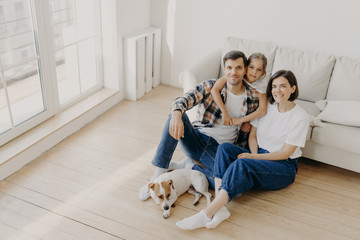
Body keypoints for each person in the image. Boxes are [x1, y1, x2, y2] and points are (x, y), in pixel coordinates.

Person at [176, 70, 309, 230]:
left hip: (283, 166)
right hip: (259, 154)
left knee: (241, 165)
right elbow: (253, 136)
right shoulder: (268, 106)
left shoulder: (300, 117)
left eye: (283, 86)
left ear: (293, 89)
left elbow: (285, 153)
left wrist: (252, 158)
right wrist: (254, 154)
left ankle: (207, 213)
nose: (277, 91)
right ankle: (221, 207)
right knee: (224, 149)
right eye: (274, 86)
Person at [138, 50, 261, 200]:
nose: (233, 72)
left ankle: (189, 167)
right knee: (176, 113)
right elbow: (183, 100)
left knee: (235, 188)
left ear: (245, 69)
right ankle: (158, 175)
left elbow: (263, 113)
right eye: (229, 68)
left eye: (238, 67)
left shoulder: (254, 96)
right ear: (224, 69)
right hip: (197, 139)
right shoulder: (210, 86)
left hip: (220, 150)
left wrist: (248, 121)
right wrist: (177, 114)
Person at [211, 52, 268, 144]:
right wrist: (224, 113)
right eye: (251, 67)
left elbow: (262, 110)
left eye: (259, 70)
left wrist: (247, 121)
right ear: (246, 68)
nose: (254, 72)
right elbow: (214, 90)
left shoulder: (262, 86)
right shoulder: (236, 75)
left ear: (263, 73)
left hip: (249, 114)